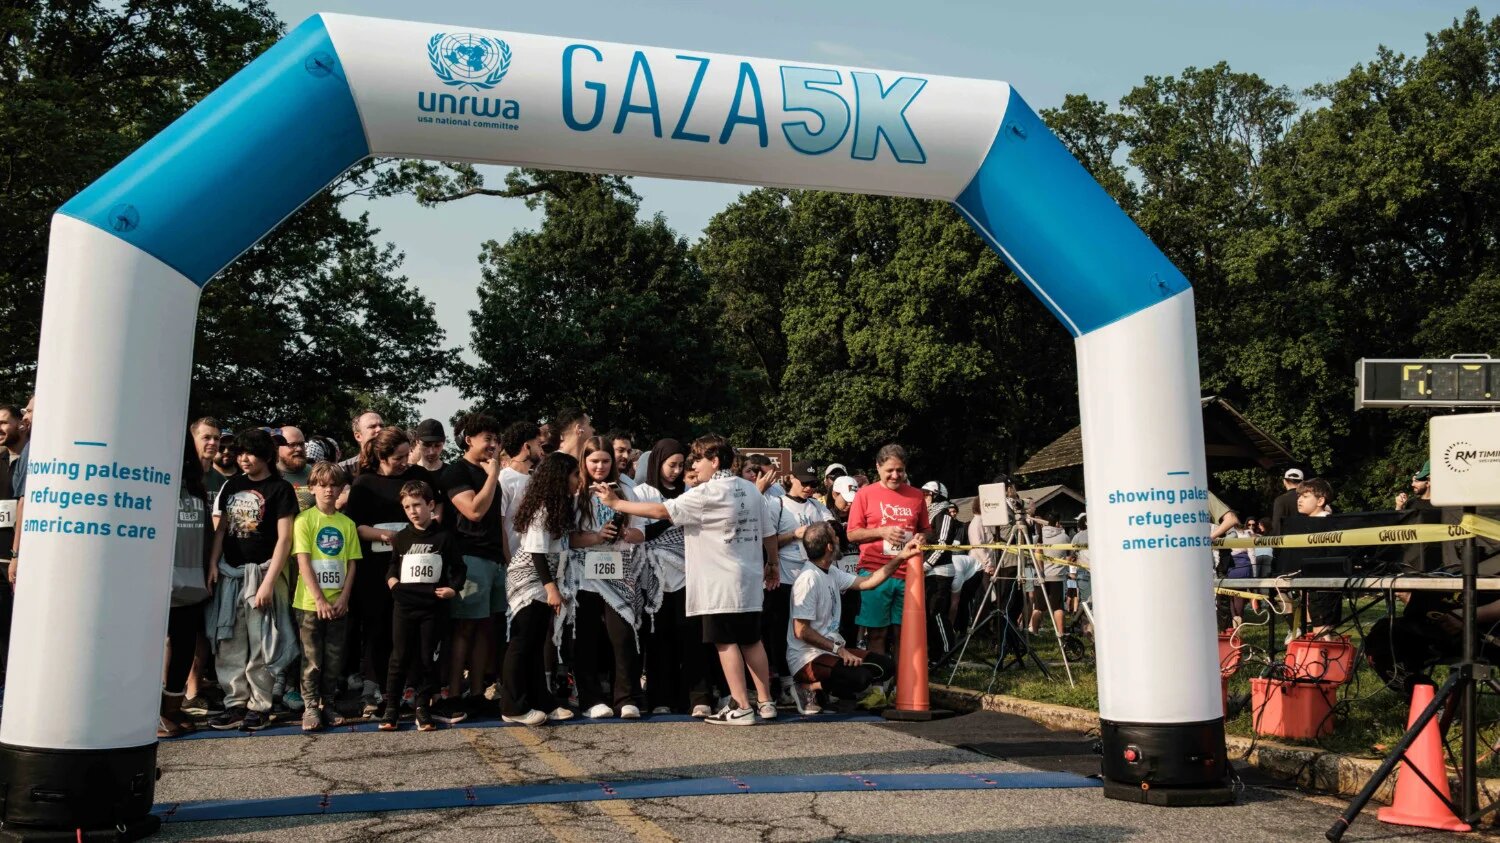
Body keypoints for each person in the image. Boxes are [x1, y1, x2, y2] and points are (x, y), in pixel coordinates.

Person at [595, 434, 776, 725]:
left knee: (725, 642)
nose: (693, 465)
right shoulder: (751, 490)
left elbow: (660, 511)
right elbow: (768, 532)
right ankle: (766, 702)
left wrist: (616, 503)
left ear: (715, 461)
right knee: (752, 640)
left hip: (720, 584)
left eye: (698, 459)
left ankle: (742, 706)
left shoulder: (708, 492)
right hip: (750, 579)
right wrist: (774, 563)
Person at [206, 428, 299, 731]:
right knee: (229, 640)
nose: (243, 459)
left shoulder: (280, 489)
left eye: (251, 453)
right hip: (231, 572)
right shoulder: (232, 484)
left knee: (262, 643)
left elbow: (285, 539)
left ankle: (259, 704)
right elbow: (222, 529)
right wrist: (212, 563)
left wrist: (270, 581)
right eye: (240, 453)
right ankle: (234, 703)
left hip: (262, 571)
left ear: (267, 456)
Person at [345, 427, 439, 717]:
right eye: (398, 457)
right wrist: (387, 535)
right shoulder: (364, 483)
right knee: (376, 627)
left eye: (406, 455)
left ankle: (413, 687)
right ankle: (374, 687)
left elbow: (435, 512)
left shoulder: (420, 478)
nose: (404, 462)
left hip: (415, 566)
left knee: (410, 627)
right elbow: (356, 527)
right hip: (375, 567)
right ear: (382, 456)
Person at [787, 523, 919, 714]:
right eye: (835, 536)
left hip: (831, 650)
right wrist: (839, 650)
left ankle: (823, 690)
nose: (839, 538)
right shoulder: (808, 579)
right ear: (829, 547)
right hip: (806, 657)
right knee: (860, 678)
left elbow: (868, 582)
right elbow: (801, 630)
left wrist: (901, 556)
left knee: (885, 666)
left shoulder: (830, 571)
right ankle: (806, 688)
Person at [635, 439, 717, 716]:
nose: (676, 470)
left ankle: (698, 697)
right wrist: (672, 516)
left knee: (693, 640)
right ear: (657, 463)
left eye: (681, 465)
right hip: (654, 579)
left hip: (689, 575)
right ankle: (661, 698)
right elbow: (642, 533)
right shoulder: (642, 493)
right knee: (659, 640)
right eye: (671, 465)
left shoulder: (691, 492)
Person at [569, 437, 648, 719]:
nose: (600, 467)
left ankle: (625, 697)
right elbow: (568, 538)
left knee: (622, 635)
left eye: (605, 461)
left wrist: (625, 533)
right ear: (584, 462)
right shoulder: (575, 491)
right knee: (587, 636)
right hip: (584, 574)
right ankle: (590, 698)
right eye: (594, 461)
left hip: (620, 571)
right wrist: (595, 537)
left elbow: (641, 532)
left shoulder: (627, 489)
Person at [437, 413, 508, 722]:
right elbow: (474, 511)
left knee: (486, 629)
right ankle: (453, 694)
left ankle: (477, 693)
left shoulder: (490, 471)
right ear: (469, 440)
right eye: (487, 439)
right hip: (468, 557)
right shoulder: (456, 472)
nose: (493, 445)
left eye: (496, 438)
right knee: (464, 629)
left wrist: (507, 558)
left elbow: (499, 520)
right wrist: (493, 474)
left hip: (494, 560)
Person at [502, 452, 581, 726]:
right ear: (561, 478)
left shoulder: (559, 505)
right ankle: (512, 705)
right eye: (574, 474)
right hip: (528, 580)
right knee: (522, 643)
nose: (578, 480)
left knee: (536, 644)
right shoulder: (543, 508)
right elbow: (536, 553)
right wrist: (552, 589)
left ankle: (541, 701)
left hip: (544, 579)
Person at [381, 480, 466, 732]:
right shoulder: (402, 538)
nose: (413, 511)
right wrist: (393, 583)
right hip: (405, 605)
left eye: (417, 505)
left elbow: (459, 568)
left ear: (430, 505)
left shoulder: (444, 537)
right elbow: (392, 568)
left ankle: (422, 706)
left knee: (427, 657)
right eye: (407, 507)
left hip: (432, 606)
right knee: (399, 657)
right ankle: (392, 708)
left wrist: (454, 588)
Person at [291, 461, 360, 731]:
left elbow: (352, 563)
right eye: (322, 485)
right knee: (312, 659)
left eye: (334, 485)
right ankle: (310, 706)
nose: (328, 490)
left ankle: (328, 703)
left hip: (338, 603)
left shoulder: (347, 524)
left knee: (334, 658)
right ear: (312, 488)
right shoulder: (304, 520)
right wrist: (319, 599)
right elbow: (303, 562)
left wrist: (343, 598)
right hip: (309, 603)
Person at [846, 444, 930, 664]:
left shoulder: (916, 495)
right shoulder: (865, 494)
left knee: (905, 634)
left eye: (900, 470)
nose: (895, 475)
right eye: (890, 470)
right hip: (875, 571)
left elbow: (926, 529)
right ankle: (878, 686)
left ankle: (902, 686)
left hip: (908, 573)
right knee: (877, 633)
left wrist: (922, 537)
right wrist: (881, 531)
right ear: (878, 467)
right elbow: (852, 534)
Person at [762, 461, 836, 704]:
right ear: (791, 478)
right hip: (784, 577)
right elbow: (768, 539)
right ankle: (784, 682)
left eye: (813, 484)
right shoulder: (778, 504)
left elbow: (832, 529)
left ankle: (810, 681)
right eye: (804, 482)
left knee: (813, 629)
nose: (808, 488)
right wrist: (793, 535)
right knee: (781, 631)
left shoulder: (817, 506)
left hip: (812, 577)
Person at [160, 429, 214, 737]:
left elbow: (206, 534)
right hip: (160, 583)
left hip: (192, 583)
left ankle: (172, 709)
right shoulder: (153, 487)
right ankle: (151, 714)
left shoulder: (196, 489)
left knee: (184, 648)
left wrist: (208, 571)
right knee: (157, 650)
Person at [919, 481, 963, 660]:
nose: (923, 498)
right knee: (929, 615)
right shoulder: (929, 514)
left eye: (926, 494)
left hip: (940, 572)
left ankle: (947, 653)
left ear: (936, 495)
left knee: (936, 613)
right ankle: (935, 654)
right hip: (930, 571)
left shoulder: (943, 514)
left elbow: (942, 544)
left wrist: (925, 566)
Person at [0, 403, 27, 684]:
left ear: (21, 424)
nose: (0, 428)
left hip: (21, 561)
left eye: (4, 422)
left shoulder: (35, 462)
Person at [273, 426, 312, 511]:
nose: (299, 449)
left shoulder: (317, 473)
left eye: (301, 444)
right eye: (292, 445)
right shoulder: (269, 475)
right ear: (277, 447)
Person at [339, 410, 385, 475]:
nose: (379, 429)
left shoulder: (398, 465)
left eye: (381, 426)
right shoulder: (343, 469)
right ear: (358, 436)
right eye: (372, 426)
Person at [207, 428, 239, 500]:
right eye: (221, 448)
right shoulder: (201, 477)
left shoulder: (246, 477)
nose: (226, 451)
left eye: (231, 448)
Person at [1270, 467, 1304, 534]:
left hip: (1288, 541)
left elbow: (1277, 526)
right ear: (1302, 482)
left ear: (1284, 481)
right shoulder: (1310, 498)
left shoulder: (1280, 500)